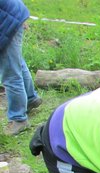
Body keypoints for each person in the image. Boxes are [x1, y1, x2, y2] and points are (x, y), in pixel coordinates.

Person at [1, 0, 43, 136]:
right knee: (15, 62)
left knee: (10, 73)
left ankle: (18, 119)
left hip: (8, 22)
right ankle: (31, 98)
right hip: (14, 15)